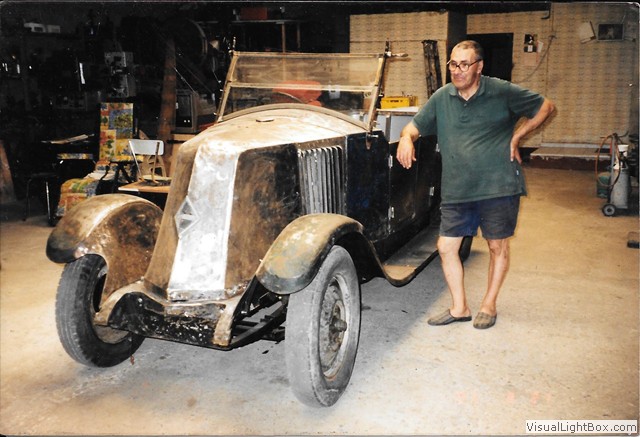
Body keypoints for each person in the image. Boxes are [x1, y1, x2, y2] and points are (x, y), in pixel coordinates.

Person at [396, 40, 555, 329]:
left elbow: (545, 106)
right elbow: (414, 125)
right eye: (453, 64)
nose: (457, 70)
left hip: (498, 186)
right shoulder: (442, 97)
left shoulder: (501, 91)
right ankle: (460, 307)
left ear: (479, 67)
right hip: (457, 189)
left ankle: (488, 305)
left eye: (464, 64)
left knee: (496, 246)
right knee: (446, 247)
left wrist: (517, 136)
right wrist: (407, 138)